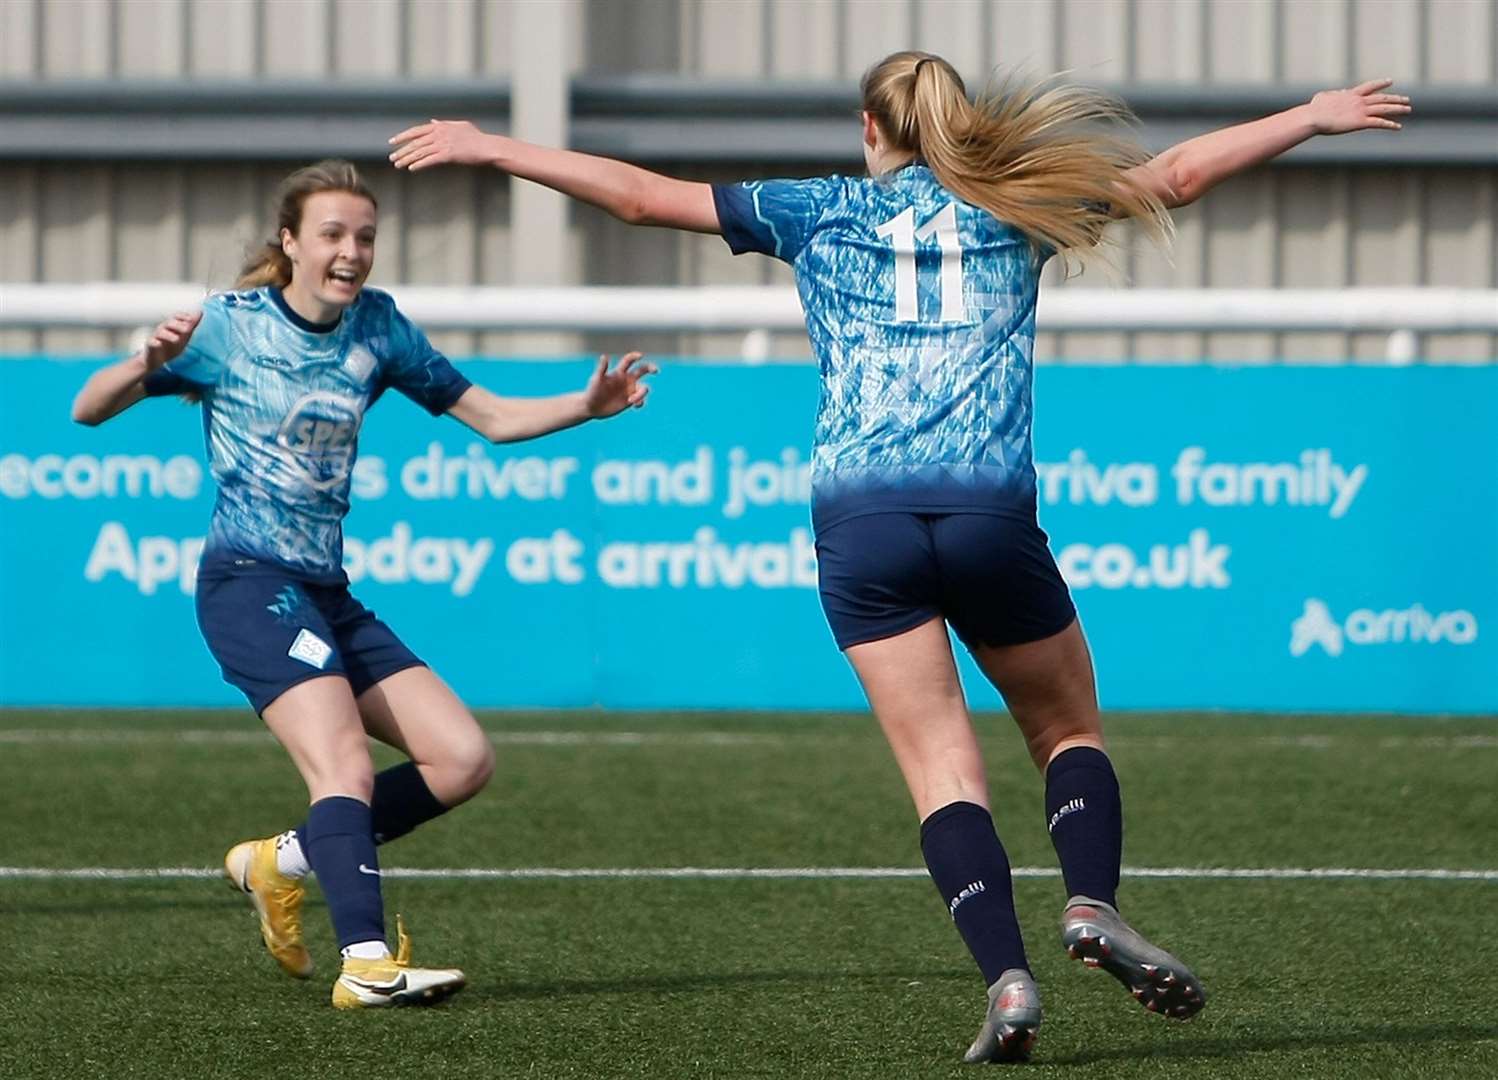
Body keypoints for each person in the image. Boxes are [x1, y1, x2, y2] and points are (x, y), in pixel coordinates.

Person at [390, 55, 1408, 1058]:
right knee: (1064, 730)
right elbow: (1176, 177)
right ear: (960, 126)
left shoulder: (820, 208)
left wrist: (491, 147)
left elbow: (644, 200)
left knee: (939, 773)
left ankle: (1007, 981)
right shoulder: (1019, 199)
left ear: (868, 130)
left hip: (861, 521)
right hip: (987, 512)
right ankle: (1089, 903)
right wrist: (1308, 115)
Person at [70, 159, 655, 1010]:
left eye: (366, 236)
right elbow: (87, 407)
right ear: (291, 243)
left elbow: (491, 418)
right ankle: (368, 963)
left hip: (324, 589)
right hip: (247, 583)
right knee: (342, 762)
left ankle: (284, 863)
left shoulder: (377, 328)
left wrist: (587, 405)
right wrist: (141, 361)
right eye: (334, 235)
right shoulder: (227, 328)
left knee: (460, 759)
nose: (352, 252)